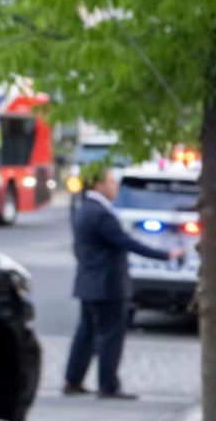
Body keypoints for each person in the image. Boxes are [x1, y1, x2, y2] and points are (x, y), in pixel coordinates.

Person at [64, 167, 181, 400]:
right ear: (98, 185)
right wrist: (165, 255)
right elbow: (127, 243)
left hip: (88, 283)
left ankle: (73, 380)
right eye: (111, 182)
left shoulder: (83, 210)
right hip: (107, 286)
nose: (115, 186)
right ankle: (108, 385)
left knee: (85, 335)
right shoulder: (101, 214)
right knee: (110, 337)